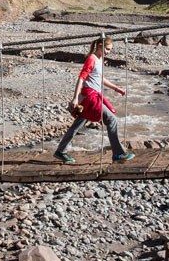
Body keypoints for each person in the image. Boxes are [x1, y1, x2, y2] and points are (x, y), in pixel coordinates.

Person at [55, 35, 134, 164]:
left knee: (78, 124)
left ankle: (60, 150)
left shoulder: (99, 59)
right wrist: (75, 98)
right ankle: (118, 153)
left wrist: (116, 88)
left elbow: (100, 78)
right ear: (100, 46)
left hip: (91, 96)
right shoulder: (91, 59)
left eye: (110, 50)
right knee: (111, 119)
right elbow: (81, 77)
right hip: (89, 97)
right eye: (107, 49)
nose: (108, 52)